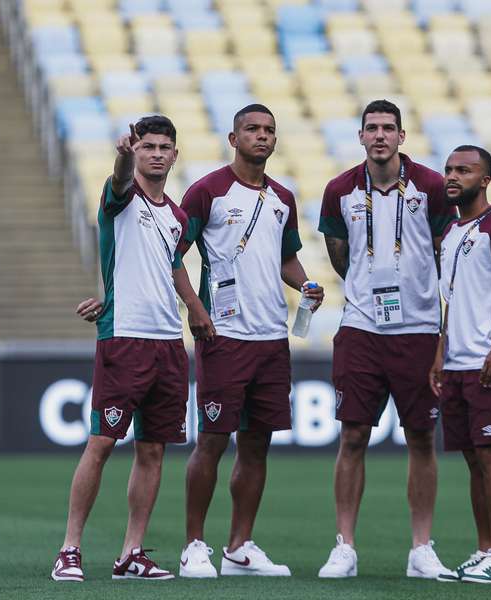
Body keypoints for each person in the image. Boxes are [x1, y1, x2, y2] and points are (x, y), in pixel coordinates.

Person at [52, 115, 209, 582]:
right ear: (136, 152)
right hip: (124, 337)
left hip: (168, 344)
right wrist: (121, 155)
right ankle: (70, 549)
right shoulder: (120, 198)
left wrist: (193, 305)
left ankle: (131, 553)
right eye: (147, 147)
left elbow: (171, 262)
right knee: (101, 442)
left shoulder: (176, 215)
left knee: (153, 450)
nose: (156, 153)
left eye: (164, 147)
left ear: (175, 155)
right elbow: (119, 181)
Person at [174, 104, 324, 578]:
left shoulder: (282, 197)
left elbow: (286, 258)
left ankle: (240, 546)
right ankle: (194, 545)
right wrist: (196, 311)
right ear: (233, 137)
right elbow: (172, 254)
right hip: (224, 334)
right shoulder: (208, 191)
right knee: (213, 440)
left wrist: (305, 285)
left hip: (271, 338)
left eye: (269, 131)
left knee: (257, 443)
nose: (262, 136)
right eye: (252, 129)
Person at [316, 99, 456, 579]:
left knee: (421, 436)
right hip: (360, 327)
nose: (379, 136)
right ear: (360, 136)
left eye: (388, 128)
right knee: (353, 434)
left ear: (402, 136)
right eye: (371, 128)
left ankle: (421, 548)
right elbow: (339, 254)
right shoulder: (339, 190)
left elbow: (446, 253)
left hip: (417, 329)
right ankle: (345, 546)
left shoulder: (433, 188)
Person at [428, 145, 491, 584]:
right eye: (449, 169)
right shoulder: (451, 232)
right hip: (457, 362)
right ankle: (484, 549)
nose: (453, 176)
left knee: (490, 455)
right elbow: (453, 302)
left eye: (464, 171)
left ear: (484, 180)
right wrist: (439, 355)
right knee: (471, 458)